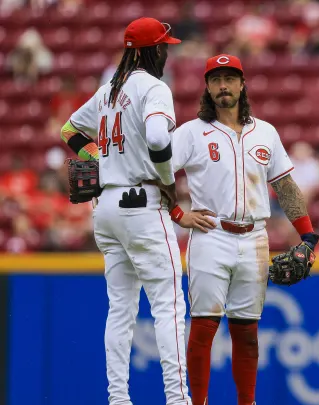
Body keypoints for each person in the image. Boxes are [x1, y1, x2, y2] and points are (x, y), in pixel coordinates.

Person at [171, 54, 319, 405]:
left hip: (254, 237)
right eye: (216, 79)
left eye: (230, 78)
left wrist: (308, 235)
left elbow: (285, 186)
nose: (223, 85)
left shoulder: (265, 132)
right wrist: (179, 214)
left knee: (247, 332)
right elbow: (159, 173)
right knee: (204, 326)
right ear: (207, 87)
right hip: (211, 235)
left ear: (242, 84)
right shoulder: (191, 132)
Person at [60, 17, 193, 405]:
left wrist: (97, 161)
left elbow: (69, 131)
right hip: (143, 206)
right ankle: (178, 399)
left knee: (120, 310)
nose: (167, 51)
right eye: (164, 45)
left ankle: (118, 399)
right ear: (153, 50)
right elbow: (156, 136)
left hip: (107, 211)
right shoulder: (154, 87)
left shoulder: (109, 91)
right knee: (169, 306)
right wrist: (168, 178)